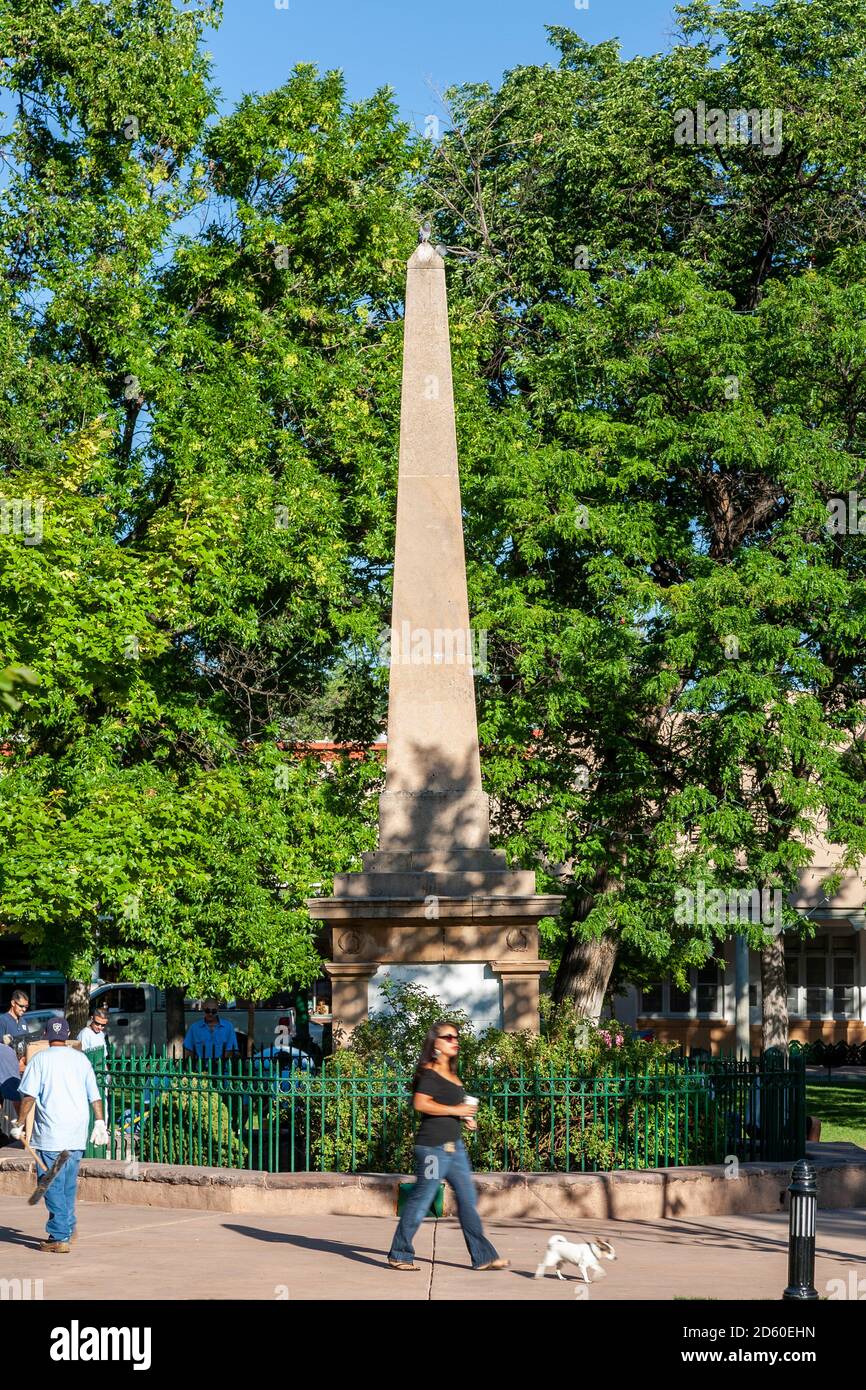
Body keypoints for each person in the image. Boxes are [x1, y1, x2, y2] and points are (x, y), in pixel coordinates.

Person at [387, 1020, 508, 1273]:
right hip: (433, 1149)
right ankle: (400, 1253)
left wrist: (466, 1118)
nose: (455, 1041)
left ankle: (483, 1256)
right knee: (423, 1198)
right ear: (436, 1044)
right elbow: (420, 1104)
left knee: (467, 1200)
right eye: (449, 1037)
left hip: (455, 1149)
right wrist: (456, 1109)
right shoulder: (429, 1072)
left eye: (456, 1036)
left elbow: (450, 1108)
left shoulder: (451, 1074)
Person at [14, 1017, 108, 1253]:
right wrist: (99, 1122)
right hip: (76, 1132)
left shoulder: (40, 1059)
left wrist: (19, 1123)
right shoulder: (81, 1060)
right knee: (66, 1183)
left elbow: (29, 1096)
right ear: (67, 1036)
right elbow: (95, 1095)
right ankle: (68, 1225)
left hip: (51, 1133)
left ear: (46, 1034)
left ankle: (59, 1236)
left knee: (49, 1183)